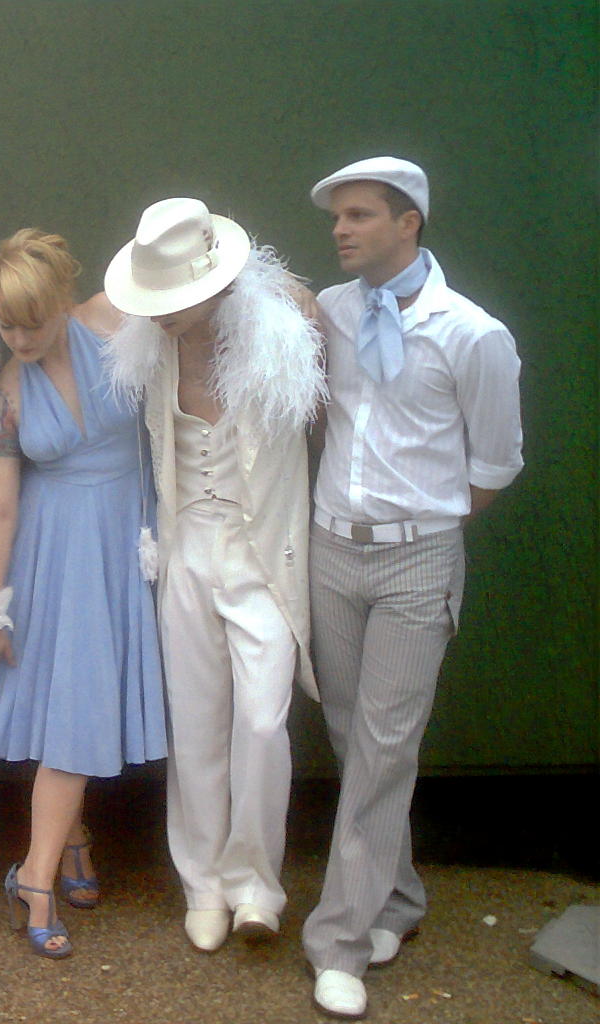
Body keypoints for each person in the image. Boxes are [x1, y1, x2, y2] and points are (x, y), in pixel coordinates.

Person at [301, 157, 523, 1018]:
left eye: (359, 215)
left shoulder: (472, 334)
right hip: (330, 551)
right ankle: (395, 900)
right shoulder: (330, 310)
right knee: (352, 734)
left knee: (385, 746)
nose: (341, 229)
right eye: (337, 217)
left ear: (408, 222)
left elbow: (494, 466)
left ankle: (340, 942)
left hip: (416, 563)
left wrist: (419, 523)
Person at [104, 198, 325, 954]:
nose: (158, 310)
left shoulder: (280, 332)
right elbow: (66, 311)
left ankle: (255, 884)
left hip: (261, 552)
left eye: (172, 295)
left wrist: (280, 290)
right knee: (196, 724)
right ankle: (202, 883)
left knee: (262, 722)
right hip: (187, 548)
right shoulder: (148, 341)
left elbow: (325, 314)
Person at [0, 229, 166, 959]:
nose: (19, 339)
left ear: (64, 302)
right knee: (70, 714)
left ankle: (71, 844)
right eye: (6, 324)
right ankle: (37, 876)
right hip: (53, 555)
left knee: (75, 706)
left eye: (33, 323)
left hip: (122, 539)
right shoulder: (7, 393)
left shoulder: (113, 318)